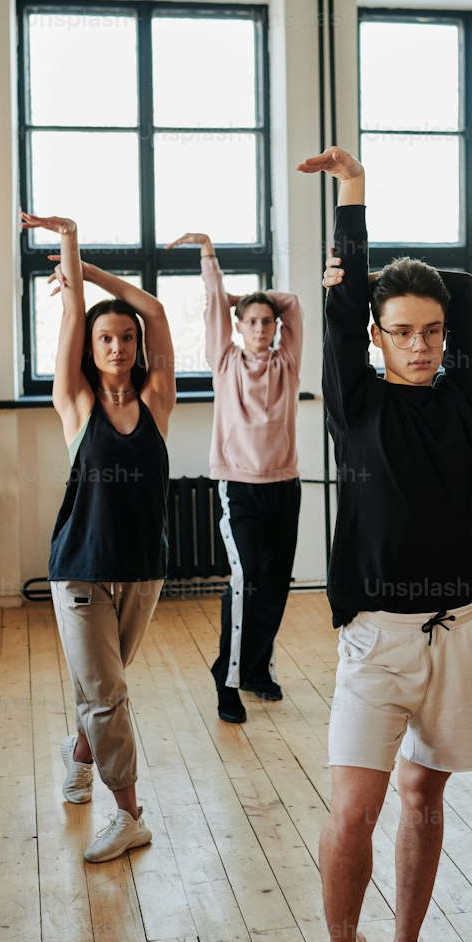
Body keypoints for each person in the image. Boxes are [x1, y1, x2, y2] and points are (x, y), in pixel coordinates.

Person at [297, 146, 472, 942]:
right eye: (401, 329)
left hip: (460, 627)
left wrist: (391, 279)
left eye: (431, 329)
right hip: (378, 637)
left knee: (424, 797)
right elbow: (342, 319)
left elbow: (460, 287)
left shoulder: (464, 391)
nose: (420, 344)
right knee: (354, 812)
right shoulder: (356, 402)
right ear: (377, 336)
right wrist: (355, 206)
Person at [23, 211, 175, 862]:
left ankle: (79, 753)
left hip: (143, 570)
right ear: (92, 347)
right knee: (108, 693)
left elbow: (156, 308)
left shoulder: (159, 400)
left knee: (102, 689)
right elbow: (72, 317)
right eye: (105, 338)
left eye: (125, 338)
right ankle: (131, 813)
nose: (116, 346)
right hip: (80, 568)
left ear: (137, 347)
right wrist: (70, 246)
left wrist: (93, 272)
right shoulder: (76, 405)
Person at [166, 231, 302, 724]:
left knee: (274, 584)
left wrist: (250, 300)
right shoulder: (224, 361)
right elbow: (212, 306)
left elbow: (295, 304)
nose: (262, 326)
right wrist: (216, 275)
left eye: (268, 320)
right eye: (251, 320)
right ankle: (227, 677)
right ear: (238, 325)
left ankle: (257, 669)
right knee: (244, 582)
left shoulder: (288, 362)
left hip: (285, 486)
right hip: (239, 487)